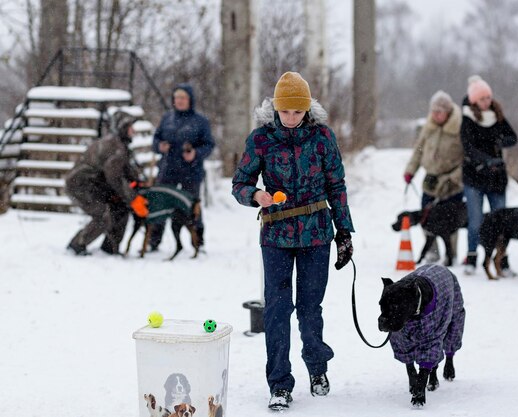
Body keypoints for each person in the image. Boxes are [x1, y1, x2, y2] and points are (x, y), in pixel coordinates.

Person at [231, 71, 355, 411]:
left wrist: (344, 232)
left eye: (297, 112)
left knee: (310, 308)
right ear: (275, 109)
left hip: (317, 233)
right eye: (285, 112)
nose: (291, 118)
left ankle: (317, 369)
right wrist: (255, 194)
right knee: (276, 310)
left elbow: (337, 186)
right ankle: (280, 384)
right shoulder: (260, 139)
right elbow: (239, 184)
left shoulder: (322, 137)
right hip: (276, 235)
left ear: (307, 110)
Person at [460, 75, 518, 275]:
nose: (487, 101)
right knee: (475, 221)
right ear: (475, 100)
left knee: (501, 220)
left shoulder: (497, 116)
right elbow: (467, 147)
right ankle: (471, 258)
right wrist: (485, 160)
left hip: (496, 179)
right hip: (474, 177)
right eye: (483, 98)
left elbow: (513, 138)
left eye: (488, 97)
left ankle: (502, 261)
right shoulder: (468, 118)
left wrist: (499, 141)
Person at [66, 111, 143, 256]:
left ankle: (110, 247)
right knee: (102, 216)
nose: (134, 130)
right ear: (123, 128)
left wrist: (138, 185)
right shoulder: (115, 148)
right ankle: (78, 244)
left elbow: (126, 171)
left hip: (96, 185)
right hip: (80, 186)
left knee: (121, 207)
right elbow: (114, 178)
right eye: (131, 127)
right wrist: (133, 200)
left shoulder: (121, 145)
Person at [149, 83, 215, 251]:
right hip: (167, 169)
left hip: (190, 171)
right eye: (176, 97)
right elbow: (155, 140)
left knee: (191, 207)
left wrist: (195, 153)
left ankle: (198, 242)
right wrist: (159, 146)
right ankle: (153, 242)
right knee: (160, 204)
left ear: (190, 100)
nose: (179, 101)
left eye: (183, 98)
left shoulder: (200, 121)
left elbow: (209, 145)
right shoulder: (167, 118)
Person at [403, 90, 464, 264]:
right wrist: (410, 170)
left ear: (448, 112)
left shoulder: (459, 128)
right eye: (433, 111)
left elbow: (466, 160)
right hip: (430, 180)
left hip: (451, 183)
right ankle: (433, 250)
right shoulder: (428, 128)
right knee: (426, 218)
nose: (435, 115)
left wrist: (453, 178)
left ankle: (451, 254)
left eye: (439, 112)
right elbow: (418, 150)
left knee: (450, 221)